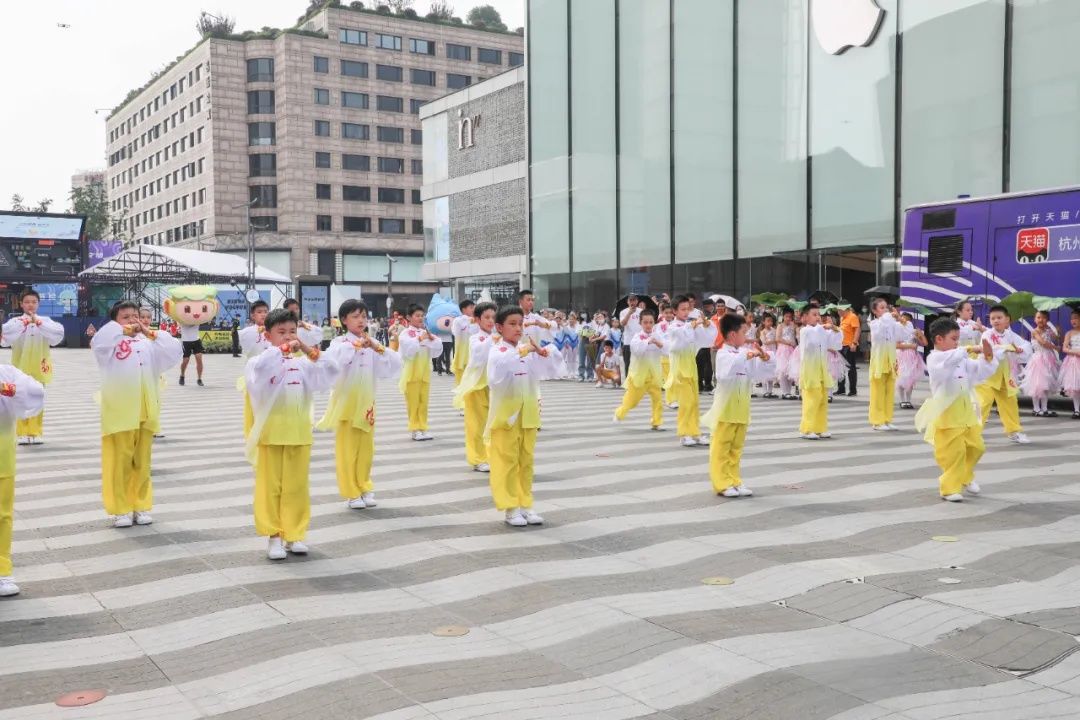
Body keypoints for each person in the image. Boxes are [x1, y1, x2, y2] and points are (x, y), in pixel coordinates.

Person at [245, 309, 337, 559]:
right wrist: (284, 349)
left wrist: (307, 349)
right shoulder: (259, 361)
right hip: (271, 434)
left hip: (299, 433)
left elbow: (332, 371)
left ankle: (294, 534)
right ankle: (273, 536)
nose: (288, 337)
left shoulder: (303, 364)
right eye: (281, 332)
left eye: (293, 332)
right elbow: (261, 371)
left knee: (296, 487)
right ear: (268, 335)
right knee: (270, 487)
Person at [91, 301, 183, 528]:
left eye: (135, 316)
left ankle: (141, 505)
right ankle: (121, 509)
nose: (132, 320)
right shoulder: (110, 341)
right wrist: (120, 329)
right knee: (120, 461)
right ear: (115, 320)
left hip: (146, 409)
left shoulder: (147, 343)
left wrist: (148, 332)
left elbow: (173, 352)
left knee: (142, 462)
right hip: (120, 411)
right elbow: (99, 343)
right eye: (125, 317)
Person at [318, 300, 401, 510]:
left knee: (366, 449)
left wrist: (376, 346)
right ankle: (351, 492)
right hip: (347, 403)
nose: (361, 320)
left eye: (364, 316)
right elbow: (335, 363)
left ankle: (365, 486)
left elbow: (391, 365)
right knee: (347, 450)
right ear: (344, 320)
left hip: (367, 404)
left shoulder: (371, 343)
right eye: (355, 316)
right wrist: (356, 347)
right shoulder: (339, 343)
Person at [485, 305, 561, 527]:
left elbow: (549, 370)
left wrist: (544, 353)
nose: (518, 328)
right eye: (512, 324)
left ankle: (526, 504)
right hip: (507, 416)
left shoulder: (524, 349)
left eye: (520, 323)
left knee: (526, 461)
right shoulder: (497, 350)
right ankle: (511, 508)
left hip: (528, 413)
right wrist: (523, 351)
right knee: (507, 461)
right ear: (499, 327)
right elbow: (497, 374)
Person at [915, 319, 999, 502]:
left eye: (958, 339)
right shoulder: (935, 358)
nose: (957, 343)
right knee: (954, 453)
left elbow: (980, 371)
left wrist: (987, 356)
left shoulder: (960, 357)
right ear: (939, 339)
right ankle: (949, 488)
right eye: (954, 339)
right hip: (947, 412)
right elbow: (948, 364)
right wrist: (969, 349)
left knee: (977, 447)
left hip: (966, 409)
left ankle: (965, 476)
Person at [703, 313, 775, 498]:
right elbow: (727, 372)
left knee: (736, 448)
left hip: (742, 407)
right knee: (721, 447)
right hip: (726, 409)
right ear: (732, 334)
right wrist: (748, 355)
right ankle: (721, 483)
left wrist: (764, 358)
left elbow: (757, 374)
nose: (747, 336)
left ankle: (735, 480)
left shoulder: (744, 353)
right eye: (744, 332)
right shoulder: (723, 353)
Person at [0, 363, 45, 597]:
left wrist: (9, 389)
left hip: (1, 456)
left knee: (2, 515)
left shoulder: (7, 372)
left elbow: (36, 392)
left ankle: (2, 570)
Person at [1, 289, 64, 446]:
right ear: (21, 304)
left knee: (37, 397)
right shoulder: (14, 322)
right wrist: (24, 323)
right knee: (18, 397)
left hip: (39, 367)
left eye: (34, 302)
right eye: (27, 302)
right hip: (19, 368)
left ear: (38, 304)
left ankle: (35, 432)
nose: (31, 305)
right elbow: (4, 339)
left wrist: (38, 322)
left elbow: (57, 335)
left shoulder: (46, 321)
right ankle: (21, 432)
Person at [665, 295, 718, 447]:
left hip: (691, 368)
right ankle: (684, 434)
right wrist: (695, 324)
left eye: (688, 309)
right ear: (674, 311)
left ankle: (695, 433)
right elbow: (680, 338)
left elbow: (705, 338)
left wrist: (707, 324)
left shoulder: (689, 325)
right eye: (682, 309)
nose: (686, 312)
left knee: (694, 403)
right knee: (686, 404)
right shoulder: (673, 327)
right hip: (680, 369)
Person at [977, 305, 1032, 443]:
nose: (996, 321)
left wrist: (1019, 349)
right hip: (987, 374)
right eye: (993, 318)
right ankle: (973, 432)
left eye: (999, 318)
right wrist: (1007, 349)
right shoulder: (987, 334)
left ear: (1007, 319)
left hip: (1004, 374)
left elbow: (1025, 345)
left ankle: (1014, 431)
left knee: (1010, 402)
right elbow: (989, 350)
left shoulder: (1010, 334)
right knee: (983, 402)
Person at [453, 301, 497, 473]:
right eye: (486, 317)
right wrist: (495, 340)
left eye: (493, 317)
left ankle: (490, 455)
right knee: (476, 425)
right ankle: (477, 459)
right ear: (477, 320)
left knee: (490, 424)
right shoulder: (476, 338)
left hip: (492, 387)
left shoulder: (495, 337)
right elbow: (479, 354)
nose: (490, 321)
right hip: (476, 387)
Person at [397, 303, 443, 441]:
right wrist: (420, 340)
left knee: (424, 402)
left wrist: (428, 339)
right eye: (417, 315)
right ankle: (415, 429)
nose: (420, 318)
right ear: (409, 317)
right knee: (413, 403)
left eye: (422, 315)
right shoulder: (405, 333)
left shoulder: (425, 332)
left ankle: (423, 428)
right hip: (411, 374)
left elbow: (437, 346)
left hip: (425, 373)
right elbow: (407, 350)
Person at [614, 308, 666, 429]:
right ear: (640, 323)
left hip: (654, 375)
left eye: (651, 322)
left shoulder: (658, 336)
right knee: (632, 401)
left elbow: (667, 350)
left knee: (657, 400)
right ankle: (619, 413)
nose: (648, 325)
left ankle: (656, 422)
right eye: (645, 322)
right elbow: (636, 350)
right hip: (639, 375)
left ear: (654, 323)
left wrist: (659, 343)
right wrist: (647, 342)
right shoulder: (637, 337)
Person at [798, 305, 842, 440]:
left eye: (818, 314)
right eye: (814, 314)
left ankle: (820, 428)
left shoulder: (821, 330)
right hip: (810, 368)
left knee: (822, 399)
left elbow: (835, 343)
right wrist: (823, 328)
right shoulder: (805, 331)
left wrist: (834, 328)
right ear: (805, 317)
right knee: (812, 399)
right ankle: (807, 429)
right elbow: (812, 342)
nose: (817, 317)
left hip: (821, 367)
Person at [868, 298, 901, 431]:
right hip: (879, 359)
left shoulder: (890, 322)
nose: (885, 310)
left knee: (889, 390)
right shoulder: (874, 323)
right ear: (874, 311)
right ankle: (877, 421)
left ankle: (887, 419)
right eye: (881, 308)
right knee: (878, 391)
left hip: (890, 358)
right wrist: (889, 316)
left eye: (886, 307)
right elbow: (880, 331)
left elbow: (899, 335)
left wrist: (900, 322)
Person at [1021, 310, 1061, 417]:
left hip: (1049, 360)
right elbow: (1043, 342)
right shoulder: (1035, 331)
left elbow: (1056, 338)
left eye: (1043, 318)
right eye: (1038, 317)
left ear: (1047, 320)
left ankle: (1044, 408)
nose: (1040, 319)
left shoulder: (1047, 330)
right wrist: (1055, 347)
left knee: (1046, 385)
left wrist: (1057, 332)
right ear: (1035, 319)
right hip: (1039, 360)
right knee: (1037, 384)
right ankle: (1036, 408)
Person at [895, 312, 927, 409]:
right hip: (901, 356)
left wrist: (920, 335)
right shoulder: (898, 331)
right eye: (902, 319)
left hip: (912, 358)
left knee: (910, 379)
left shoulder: (913, 332)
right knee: (901, 378)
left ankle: (908, 400)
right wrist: (910, 346)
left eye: (906, 320)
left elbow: (924, 343)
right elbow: (896, 345)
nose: (904, 321)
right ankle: (902, 400)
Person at [450, 299, 477, 387]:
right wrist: (467, 325)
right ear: (464, 309)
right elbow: (455, 333)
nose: (473, 310)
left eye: (474, 307)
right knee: (462, 380)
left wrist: (473, 323)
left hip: (474, 352)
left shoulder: (477, 320)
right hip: (462, 353)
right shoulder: (458, 320)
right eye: (471, 308)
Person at [1059, 309, 1080, 419]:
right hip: (1074, 362)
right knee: (1075, 387)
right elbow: (1064, 348)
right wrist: (1076, 352)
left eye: (1076, 317)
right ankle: (1077, 410)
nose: (1073, 320)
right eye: (1072, 318)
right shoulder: (1069, 333)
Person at [177, 312, 206, 387]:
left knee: (199, 359)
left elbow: (205, 317)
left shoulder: (197, 316)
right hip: (186, 341)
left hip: (196, 341)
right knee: (185, 361)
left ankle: (199, 379)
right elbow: (182, 323)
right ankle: (182, 376)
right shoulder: (181, 318)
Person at [775, 309, 798, 400]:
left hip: (792, 350)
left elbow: (797, 335)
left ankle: (789, 391)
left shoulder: (794, 325)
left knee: (790, 370)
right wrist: (788, 343)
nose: (788, 318)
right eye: (786, 317)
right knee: (783, 371)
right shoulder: (780, 326)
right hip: (783, 349)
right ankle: (785, 392)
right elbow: (778, 338)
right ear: (783, 317)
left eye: (790, 317)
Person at [837, 305, 861, 396]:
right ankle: (841, 389)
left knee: (851, 368)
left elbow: (857, 330)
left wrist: (854, 343)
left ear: (844, 310)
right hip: (841, 345)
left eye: (839, 310)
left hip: (849, 345)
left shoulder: (852, 316)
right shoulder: (842, 318)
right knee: (840, 368)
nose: (838, 312)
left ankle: (853, 390)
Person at [658, 303, 676, 408]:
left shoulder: (677, 324)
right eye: (666, 313)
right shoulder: (659, 326)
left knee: (675, 379)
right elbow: (660, 340)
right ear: (662, 313)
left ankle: (675, 398)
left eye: (670, 312)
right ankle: (670, 400)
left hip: (676, 356)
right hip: (665, 356)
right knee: (669, 379)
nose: (669, 315)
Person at [619, 295, 642, 376]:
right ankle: (628, 384)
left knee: (640, 363)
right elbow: (622, 323)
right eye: (630, 300)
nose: (632, 302)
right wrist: (629, 313)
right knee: (628, 363)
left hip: (640, 341)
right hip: (628, 341)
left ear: (637, 301)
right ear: (627, 302)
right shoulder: (623, 312)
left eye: (634, 300)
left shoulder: (641, 311)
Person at [758, 313, 779, 398]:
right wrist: (774, 341)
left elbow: (777, 340)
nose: (770, 323)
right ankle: (764, 391)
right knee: (764, 371)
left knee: (771, 371)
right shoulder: (762, 332)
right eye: (768, 321)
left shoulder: (774, 330)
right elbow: (764, 342)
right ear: (763, 322)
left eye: (771, 321)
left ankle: (770, 391)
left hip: (773, 352)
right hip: (765, 352)